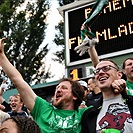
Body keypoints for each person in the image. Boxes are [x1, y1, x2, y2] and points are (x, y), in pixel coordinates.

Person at [0, 38, 93, 133]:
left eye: (64, 88)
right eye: (57, 88)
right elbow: (18, 81)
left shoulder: (83, 114)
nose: (58, 90)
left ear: (75, 96)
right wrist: (1, 56)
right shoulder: (42, 109)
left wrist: (92, 49)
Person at [81, 59, 133, 133]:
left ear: (119, 75)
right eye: (97, 71)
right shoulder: (89, 115)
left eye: (106, 68)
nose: (101, 72)